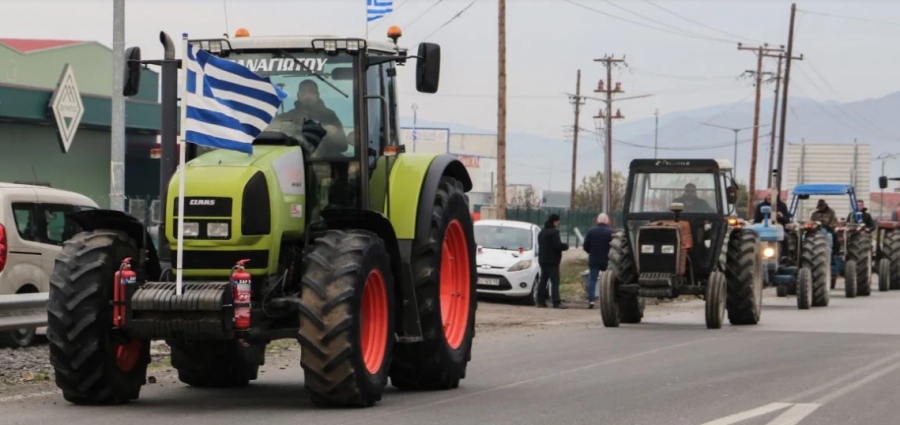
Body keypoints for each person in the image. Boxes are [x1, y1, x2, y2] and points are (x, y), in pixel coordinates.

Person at [270, 79, 349, 156]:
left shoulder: (329, 116)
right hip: (291, 162)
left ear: (317, 95)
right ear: (298, 95)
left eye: (311, 92)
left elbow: (343, 146)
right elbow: (268, 142)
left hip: (323, 162)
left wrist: (332, 134)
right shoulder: (284, 118)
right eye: (303, 92)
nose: (307, 95)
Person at [537, 213, 570, 309]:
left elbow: (540, 244)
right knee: (555, 281)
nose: (558, 223)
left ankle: (540, 301)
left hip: (543, 260)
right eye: (558, 221)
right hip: (552, 261)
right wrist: (565, 246)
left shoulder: (542, 232)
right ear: (555, 222)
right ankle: (556, 302)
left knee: (543, 281)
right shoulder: (554, 232)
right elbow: (557, 245)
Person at [582, 213, 613, 309]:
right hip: (607, 260)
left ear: (597, 221)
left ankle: (591, 300)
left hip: (594, 260)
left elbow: (585, 246)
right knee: (608, 281)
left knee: (592, 280)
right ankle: (608, 300)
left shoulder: (591, 231)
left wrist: (591, 251)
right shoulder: (611, 232)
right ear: (607, 221)